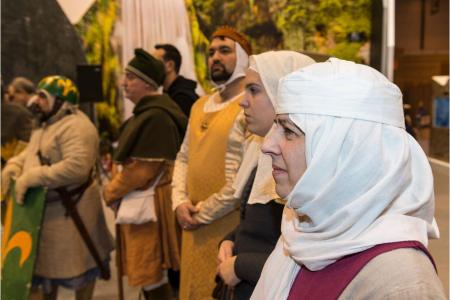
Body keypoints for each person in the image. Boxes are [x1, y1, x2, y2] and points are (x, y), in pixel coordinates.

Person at [252, 58, 446, 299]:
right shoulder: (303, 232)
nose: (267, 145)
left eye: (289, 131)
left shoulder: (402, 283)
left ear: (348, 152)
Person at [1, 75, 114, 300]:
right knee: (46, 279)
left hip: (73, 215)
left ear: (61, 101)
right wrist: (15, 165)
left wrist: (32, 177)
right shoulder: (46, 123)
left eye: (43, 97)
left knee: (81, 269)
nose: (37, 101)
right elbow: (32, 152)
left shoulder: (78, 126)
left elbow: (76, 167)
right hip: (47, 215)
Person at [215, 51, 315, 300]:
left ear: (282, 92)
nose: (242, 101)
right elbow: (257, 221)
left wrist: (241, 266)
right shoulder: (259, 151)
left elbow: (308, 265)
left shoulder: (305, 165)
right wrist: (230, 240)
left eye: (254, 90)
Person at [172, 26, 251, 300]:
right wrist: (179, 202)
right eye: (211, 52)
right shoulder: (198, 105)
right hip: (189, 222)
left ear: (243, 57)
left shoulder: (248, 107)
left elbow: (240, 181)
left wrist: (201, 213)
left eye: (225, 51)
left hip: (224, 228)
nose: (215, 57)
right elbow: (183, 156)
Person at [103, 48, 187, 300]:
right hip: (143, 206)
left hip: (149, 210)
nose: (123, 83)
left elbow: (142, 170)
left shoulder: (156, 116)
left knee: (151, 273)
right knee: (150, 278)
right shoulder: (148, 113)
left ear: (148, 83)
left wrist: (110, 191)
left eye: (130, 77)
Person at [153, 43, 199, 116]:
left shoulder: (183, 99)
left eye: (155, 62)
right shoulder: (169, 94)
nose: (151, 67)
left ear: (170, 65)